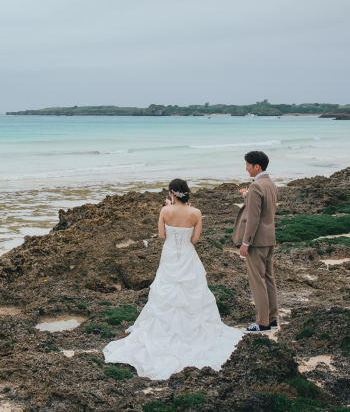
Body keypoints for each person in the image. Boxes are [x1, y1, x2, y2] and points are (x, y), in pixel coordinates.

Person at [103, 178, 243, 380]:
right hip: (187, 256)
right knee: (192, 291)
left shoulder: (164, 211)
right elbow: (195, 239)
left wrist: (169, 214)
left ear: (171, 194)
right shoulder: (196, 213)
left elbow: (161, 236)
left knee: (166, 292)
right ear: (187, 193)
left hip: (169, 256)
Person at [232, 151, 279, 333]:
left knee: (257, 282)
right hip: (269, 239)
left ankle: (262, 323)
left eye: (247, 165)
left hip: (257, 242)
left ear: (256, 166)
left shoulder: (256, 187)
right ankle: (273, 319)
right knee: (269, 279)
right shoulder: (271, 184)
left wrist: (246, 242)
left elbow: (253, 218)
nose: (246, 168)